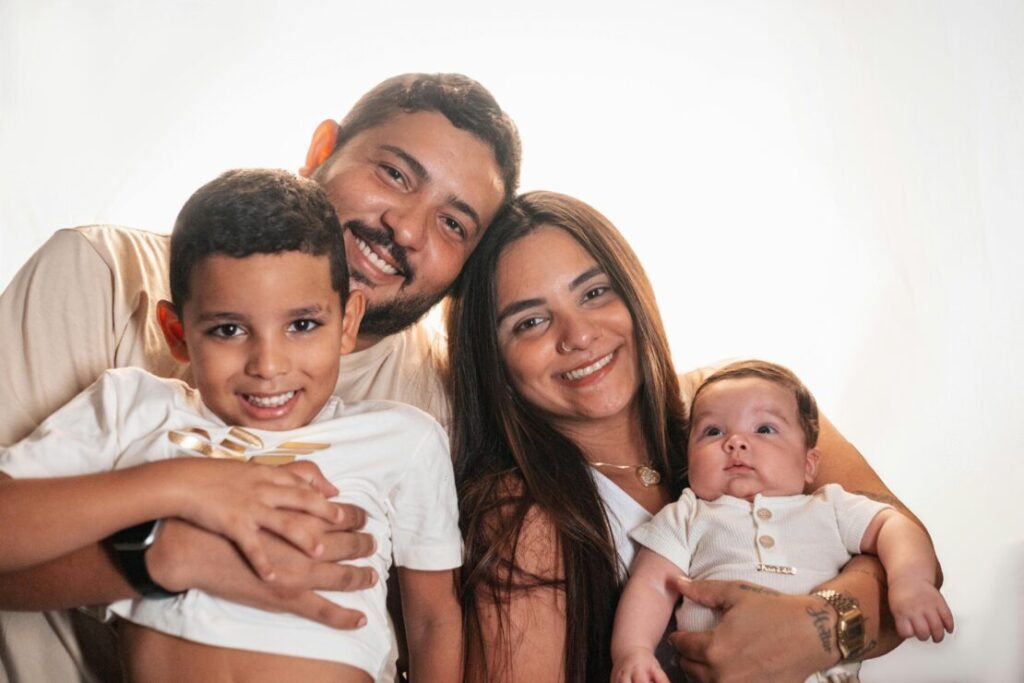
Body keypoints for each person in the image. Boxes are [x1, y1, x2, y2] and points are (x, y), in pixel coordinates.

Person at [0, 73, 520, 683]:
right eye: (395, 173)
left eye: (453, 223)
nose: (406, 228)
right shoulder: (106, 284)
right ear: (322, 150)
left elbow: (436, 617)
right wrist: (163, 552)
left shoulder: (436, 413)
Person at [446, 191, 941, 682]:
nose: (578, 335)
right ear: (494, 363)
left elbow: (910, 556)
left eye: (595, 293)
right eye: (530, 322)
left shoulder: (748, 402)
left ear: (634, 294)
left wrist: (816, 628)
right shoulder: (521, 514)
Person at [610, 360, 954, 683]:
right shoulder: (687, 515)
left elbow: (894, 526)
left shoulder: (830, 507)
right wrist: (633, 650)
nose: (735, 442)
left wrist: (911, 581)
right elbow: (652, 584)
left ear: (809, 464)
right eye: (713, 431)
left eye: (764, 428)